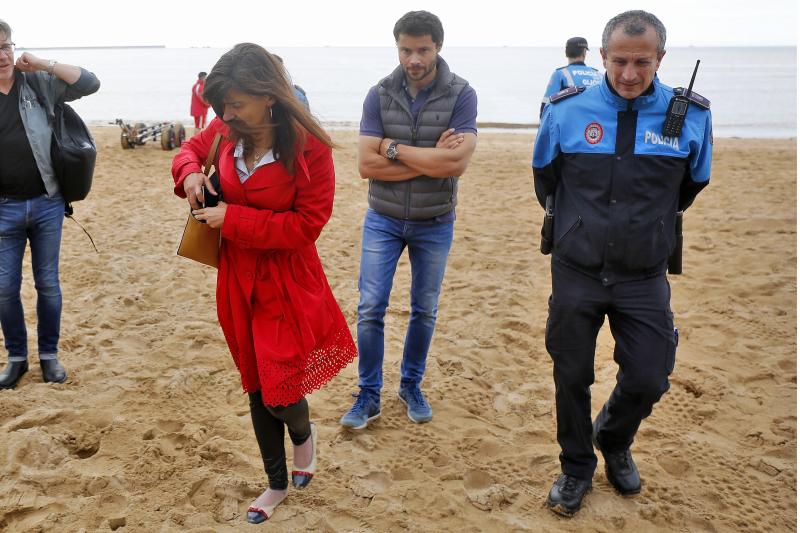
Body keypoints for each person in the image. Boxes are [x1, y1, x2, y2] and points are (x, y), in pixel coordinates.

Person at [532, 10, 712, 517]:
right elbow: (545, 178)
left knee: (651, 375)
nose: (630, 74)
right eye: (619, 61)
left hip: (644, 273)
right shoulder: (567, 109)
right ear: (602, 56)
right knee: (571, 374)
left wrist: (645, 228)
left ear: (660, 58)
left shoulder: (691, 115)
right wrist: (580, 228)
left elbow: (691, 185)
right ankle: (575, 468)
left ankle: (612, 437)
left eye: (642, 62)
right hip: (577, 268)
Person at [171, 43, 357, 523]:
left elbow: (306, 226)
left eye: (236, 104)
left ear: (268, 96)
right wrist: (191, 176)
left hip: (287, 279)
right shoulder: (225, 128)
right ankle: (275, 483)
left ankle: (302, 433)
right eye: (221, 106)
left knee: (281, 389)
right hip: (235, 277)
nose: (226, 115)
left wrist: (233, 218)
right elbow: (189, 150)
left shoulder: (308, 144)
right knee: (254, 382)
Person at [340, 10, 477, 430]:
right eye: (405, 50)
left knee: (424, 310)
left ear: (437, 47)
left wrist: (392, 148)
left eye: (422, 50)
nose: (413, 59)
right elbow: (366, 165)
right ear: (397, 47)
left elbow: (456, 163)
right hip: (382, 217)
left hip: (435, 221)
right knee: (370, 307)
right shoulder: (378, 94)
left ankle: (410, 384)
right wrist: (429, 159)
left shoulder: (461, 94)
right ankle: (368, 394)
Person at [0, 20, 100, 389]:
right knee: (4, 289)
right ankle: (16, 359)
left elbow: (89, 82)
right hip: (3, 209)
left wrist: (42, 63)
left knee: (48, 284)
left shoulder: (38, 83)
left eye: (6, 45)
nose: (2, 55)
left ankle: (48, 356)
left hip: (46, 204)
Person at [540, 37, 601, 116]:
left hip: (570, 123)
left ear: (566, 53)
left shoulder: (560, 74)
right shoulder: (599, 75)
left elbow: (546, 105)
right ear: (584, 52)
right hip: (596, 125)